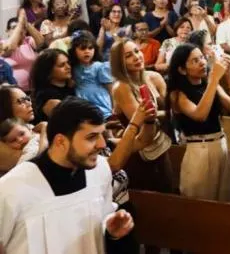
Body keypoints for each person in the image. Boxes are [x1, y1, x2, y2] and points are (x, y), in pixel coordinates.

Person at [0, 98, 135, 253]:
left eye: (101, 135)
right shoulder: (11, 188)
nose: (102, 144)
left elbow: (100, 227)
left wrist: (111, 233)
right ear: (61, 141)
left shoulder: (101, 169)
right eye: (91, 137)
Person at [166, 43, 230, 201]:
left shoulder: (210, 84)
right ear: (182, 69)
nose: (202, 62)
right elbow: (200, 115)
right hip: (199, 148)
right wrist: (214, 79)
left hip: (220, 143)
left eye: (202, 57)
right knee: (201, 201)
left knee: (224, 199)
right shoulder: (178, 94)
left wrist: (229, 76)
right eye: (195, 61)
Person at [109, 39, 173, 193]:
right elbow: (142, 121)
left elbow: (172, 110)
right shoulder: (121, 87)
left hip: (160, 145)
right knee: (149, 198)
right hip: (138, 152)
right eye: (128, 56)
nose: (136, 57)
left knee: (168, 192)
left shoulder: (154, 77)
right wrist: (167, 114)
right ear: (119, 63)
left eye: (137, 51)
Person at [30, 48, 74, 123]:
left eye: (68, 63)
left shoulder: (71, 87)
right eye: (62, 65)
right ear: (48, 71)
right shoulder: (46, 96)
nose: (68, 67)